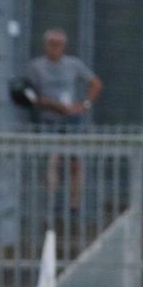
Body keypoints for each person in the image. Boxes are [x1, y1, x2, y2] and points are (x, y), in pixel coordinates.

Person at [26, 29, 102, 210]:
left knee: (76, 163)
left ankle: (74, 206)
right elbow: (30, 94)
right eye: (52, 44)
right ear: (46, 45)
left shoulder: (73, 64)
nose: (55, 48)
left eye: (59, 44)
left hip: (72, 120)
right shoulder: (36, 67)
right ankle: (49, 204)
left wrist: (84, 104)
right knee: (53, 160)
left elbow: (96, 83)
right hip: (49, 119)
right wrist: (51, 104)